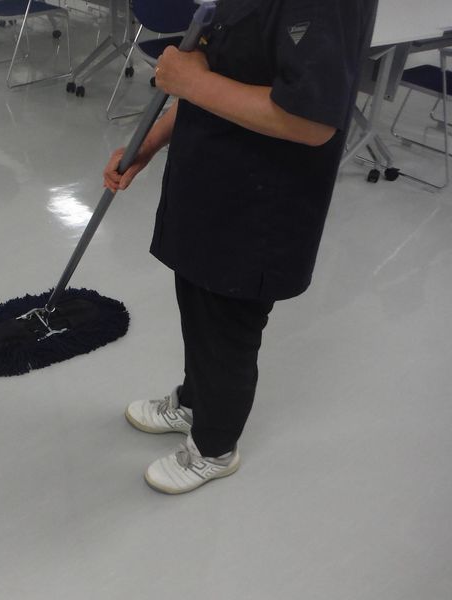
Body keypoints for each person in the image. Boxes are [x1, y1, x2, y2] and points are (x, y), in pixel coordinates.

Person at [104, 0, 378, 494]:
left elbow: (310, 121)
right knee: (199, 309)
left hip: (258, 205)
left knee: (227, 329)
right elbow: (218, 69)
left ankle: (214, 447)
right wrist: (151, 140)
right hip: (211, 183)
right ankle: (194, 402)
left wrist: (190, 82)